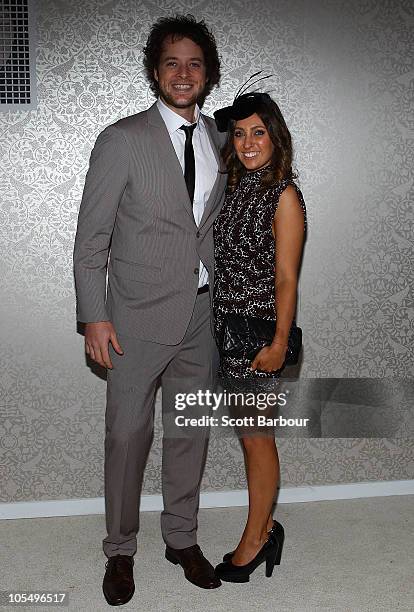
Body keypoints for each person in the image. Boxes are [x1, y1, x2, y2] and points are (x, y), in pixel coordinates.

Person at [73, 14, 227, 605]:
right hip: (134, 318)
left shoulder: (222, 139)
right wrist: (94, 316)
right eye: (172, 63)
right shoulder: (122, 139)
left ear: (207, 74)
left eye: (194, 63)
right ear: (155, 72)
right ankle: (119, 550)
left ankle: (181, 539)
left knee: (190, 430)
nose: (183, 73)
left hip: (203, 316)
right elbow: (92, 241)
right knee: (128, 436)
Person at [212, 91, 307, 582]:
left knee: (256, 438)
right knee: (251, 437)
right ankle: (266, 527)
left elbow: (288, 277)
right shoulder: (235, 185)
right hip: (226, 332)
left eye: (259, 132)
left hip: (257, 337)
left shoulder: (283, 194)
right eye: (241, 133)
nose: (249, 143)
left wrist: (276, 343)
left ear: (276, 137)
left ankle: (255, 539)